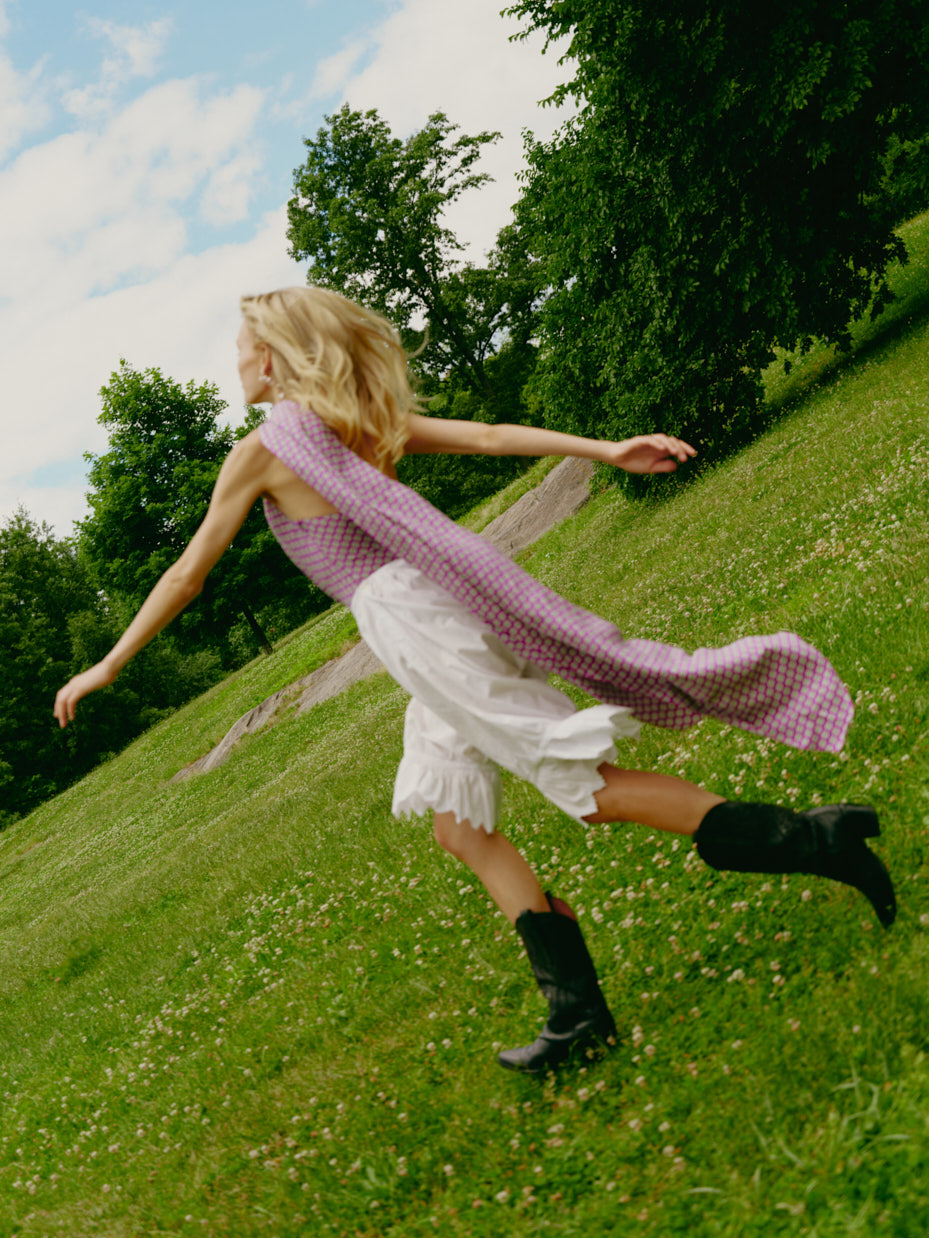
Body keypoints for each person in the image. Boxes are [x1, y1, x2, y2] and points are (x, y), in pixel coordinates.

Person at [55, 286, 895, 1075]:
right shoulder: (356, 419)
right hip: (447, 597)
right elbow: (491, 436)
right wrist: (602, 449)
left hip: (419, 623)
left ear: (273, 360)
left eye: (241, 349)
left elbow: (187, 574)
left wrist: (107, 663)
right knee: (458, 820)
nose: (235, 363)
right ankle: (575, 1018)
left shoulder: (266, 448)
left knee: (585, 785)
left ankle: (815, 841)